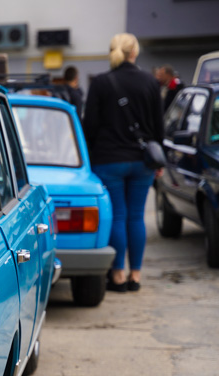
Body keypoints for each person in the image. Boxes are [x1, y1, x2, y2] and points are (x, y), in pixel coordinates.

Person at [82, 33, 164, 293]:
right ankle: (136, 276)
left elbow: (89, 127)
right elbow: (158, 126)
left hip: (109, 161)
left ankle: (117, 275)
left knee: (117, 216)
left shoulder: (101, 83)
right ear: (134, 53)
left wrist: (91, 157)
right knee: (136, 216)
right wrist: (158, 160)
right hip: (143, 161)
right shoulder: (150, 82)